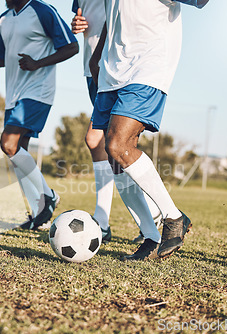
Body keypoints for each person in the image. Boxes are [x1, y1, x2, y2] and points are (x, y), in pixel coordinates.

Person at [0, 0, 78, 230]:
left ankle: (49, 196)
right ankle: (38, 216)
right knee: (17, 155)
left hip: (38, 91)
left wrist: (38, 64)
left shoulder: (43, 10)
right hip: (13, 95)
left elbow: (72, 47)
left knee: (9, 143)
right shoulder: (4, 19)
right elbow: (1, 58)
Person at [90, 0, 191, 260]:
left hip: (148, 65)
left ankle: (174, 217)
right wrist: (97, 53)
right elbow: (114, 16)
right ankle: (151, 235)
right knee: (115, 158)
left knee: (117, 144)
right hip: (111, 69)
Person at [70, 0, 163, 245]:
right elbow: (83, 17)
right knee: (108, 146)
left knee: (110, 143)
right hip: (94, 66)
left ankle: (115, 219)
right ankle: (147, 216)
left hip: (117, 64)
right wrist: (78, 25)